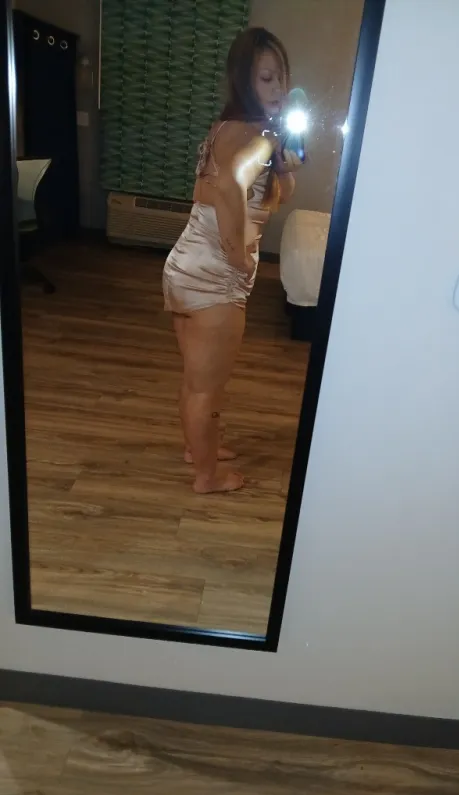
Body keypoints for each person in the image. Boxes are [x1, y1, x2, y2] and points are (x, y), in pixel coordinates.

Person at [163, 27, 304, 494]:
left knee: (197, 380)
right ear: (245, 80)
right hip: (214, 276)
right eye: (267, 78)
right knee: (206, 387)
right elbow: (228, 188)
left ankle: (197, 447)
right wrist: (238, 252)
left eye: (281, 77)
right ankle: (207, 476)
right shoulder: (258, 133)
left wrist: (284, 167)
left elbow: (262, 195)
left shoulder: (229, 128)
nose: (279, 89)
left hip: (186, 262)